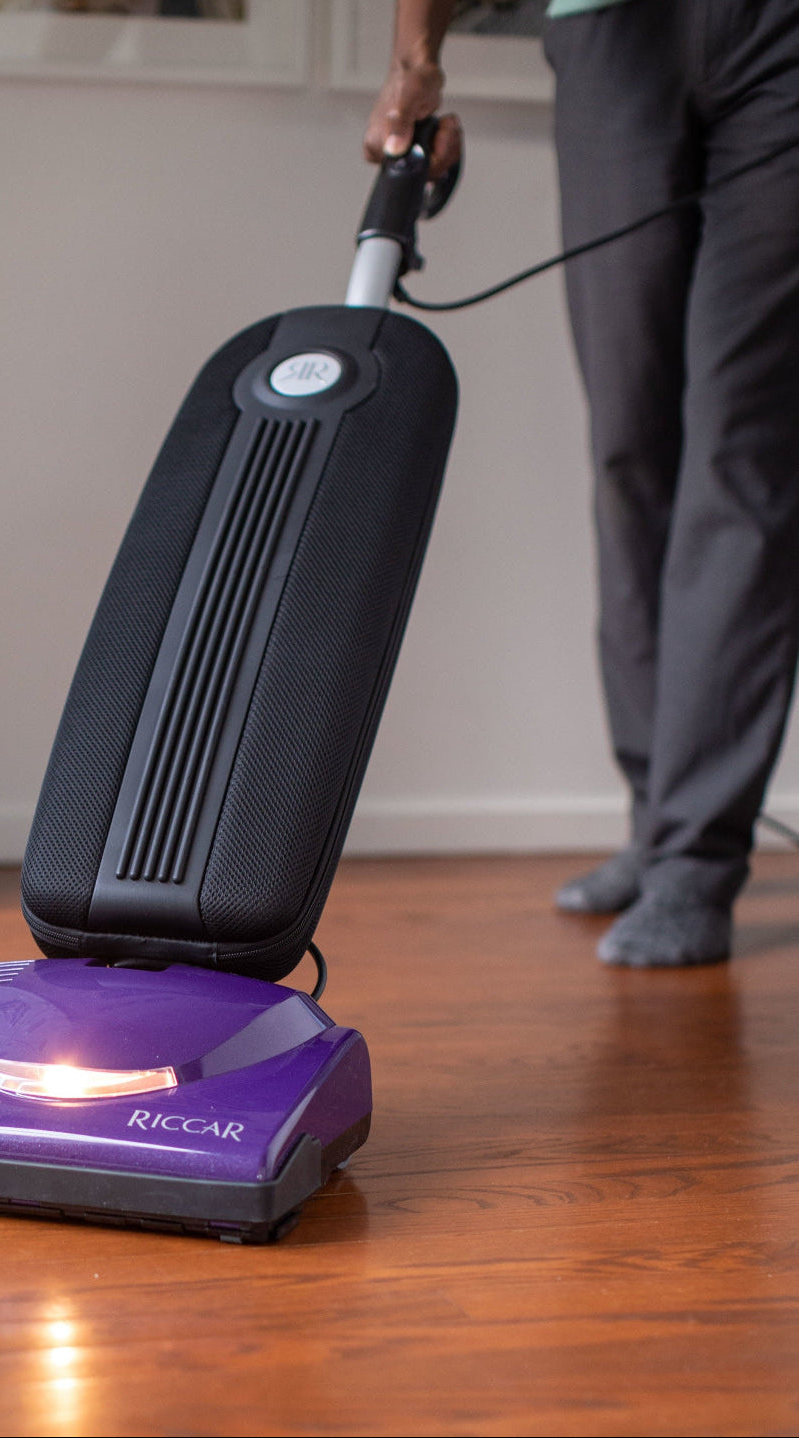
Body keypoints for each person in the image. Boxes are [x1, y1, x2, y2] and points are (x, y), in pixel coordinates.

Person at [367, 0, 799, 967]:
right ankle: (656, 819)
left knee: (744, 444)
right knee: (628, 445)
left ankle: (697, 857)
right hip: (614, 29)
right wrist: (416, 60)